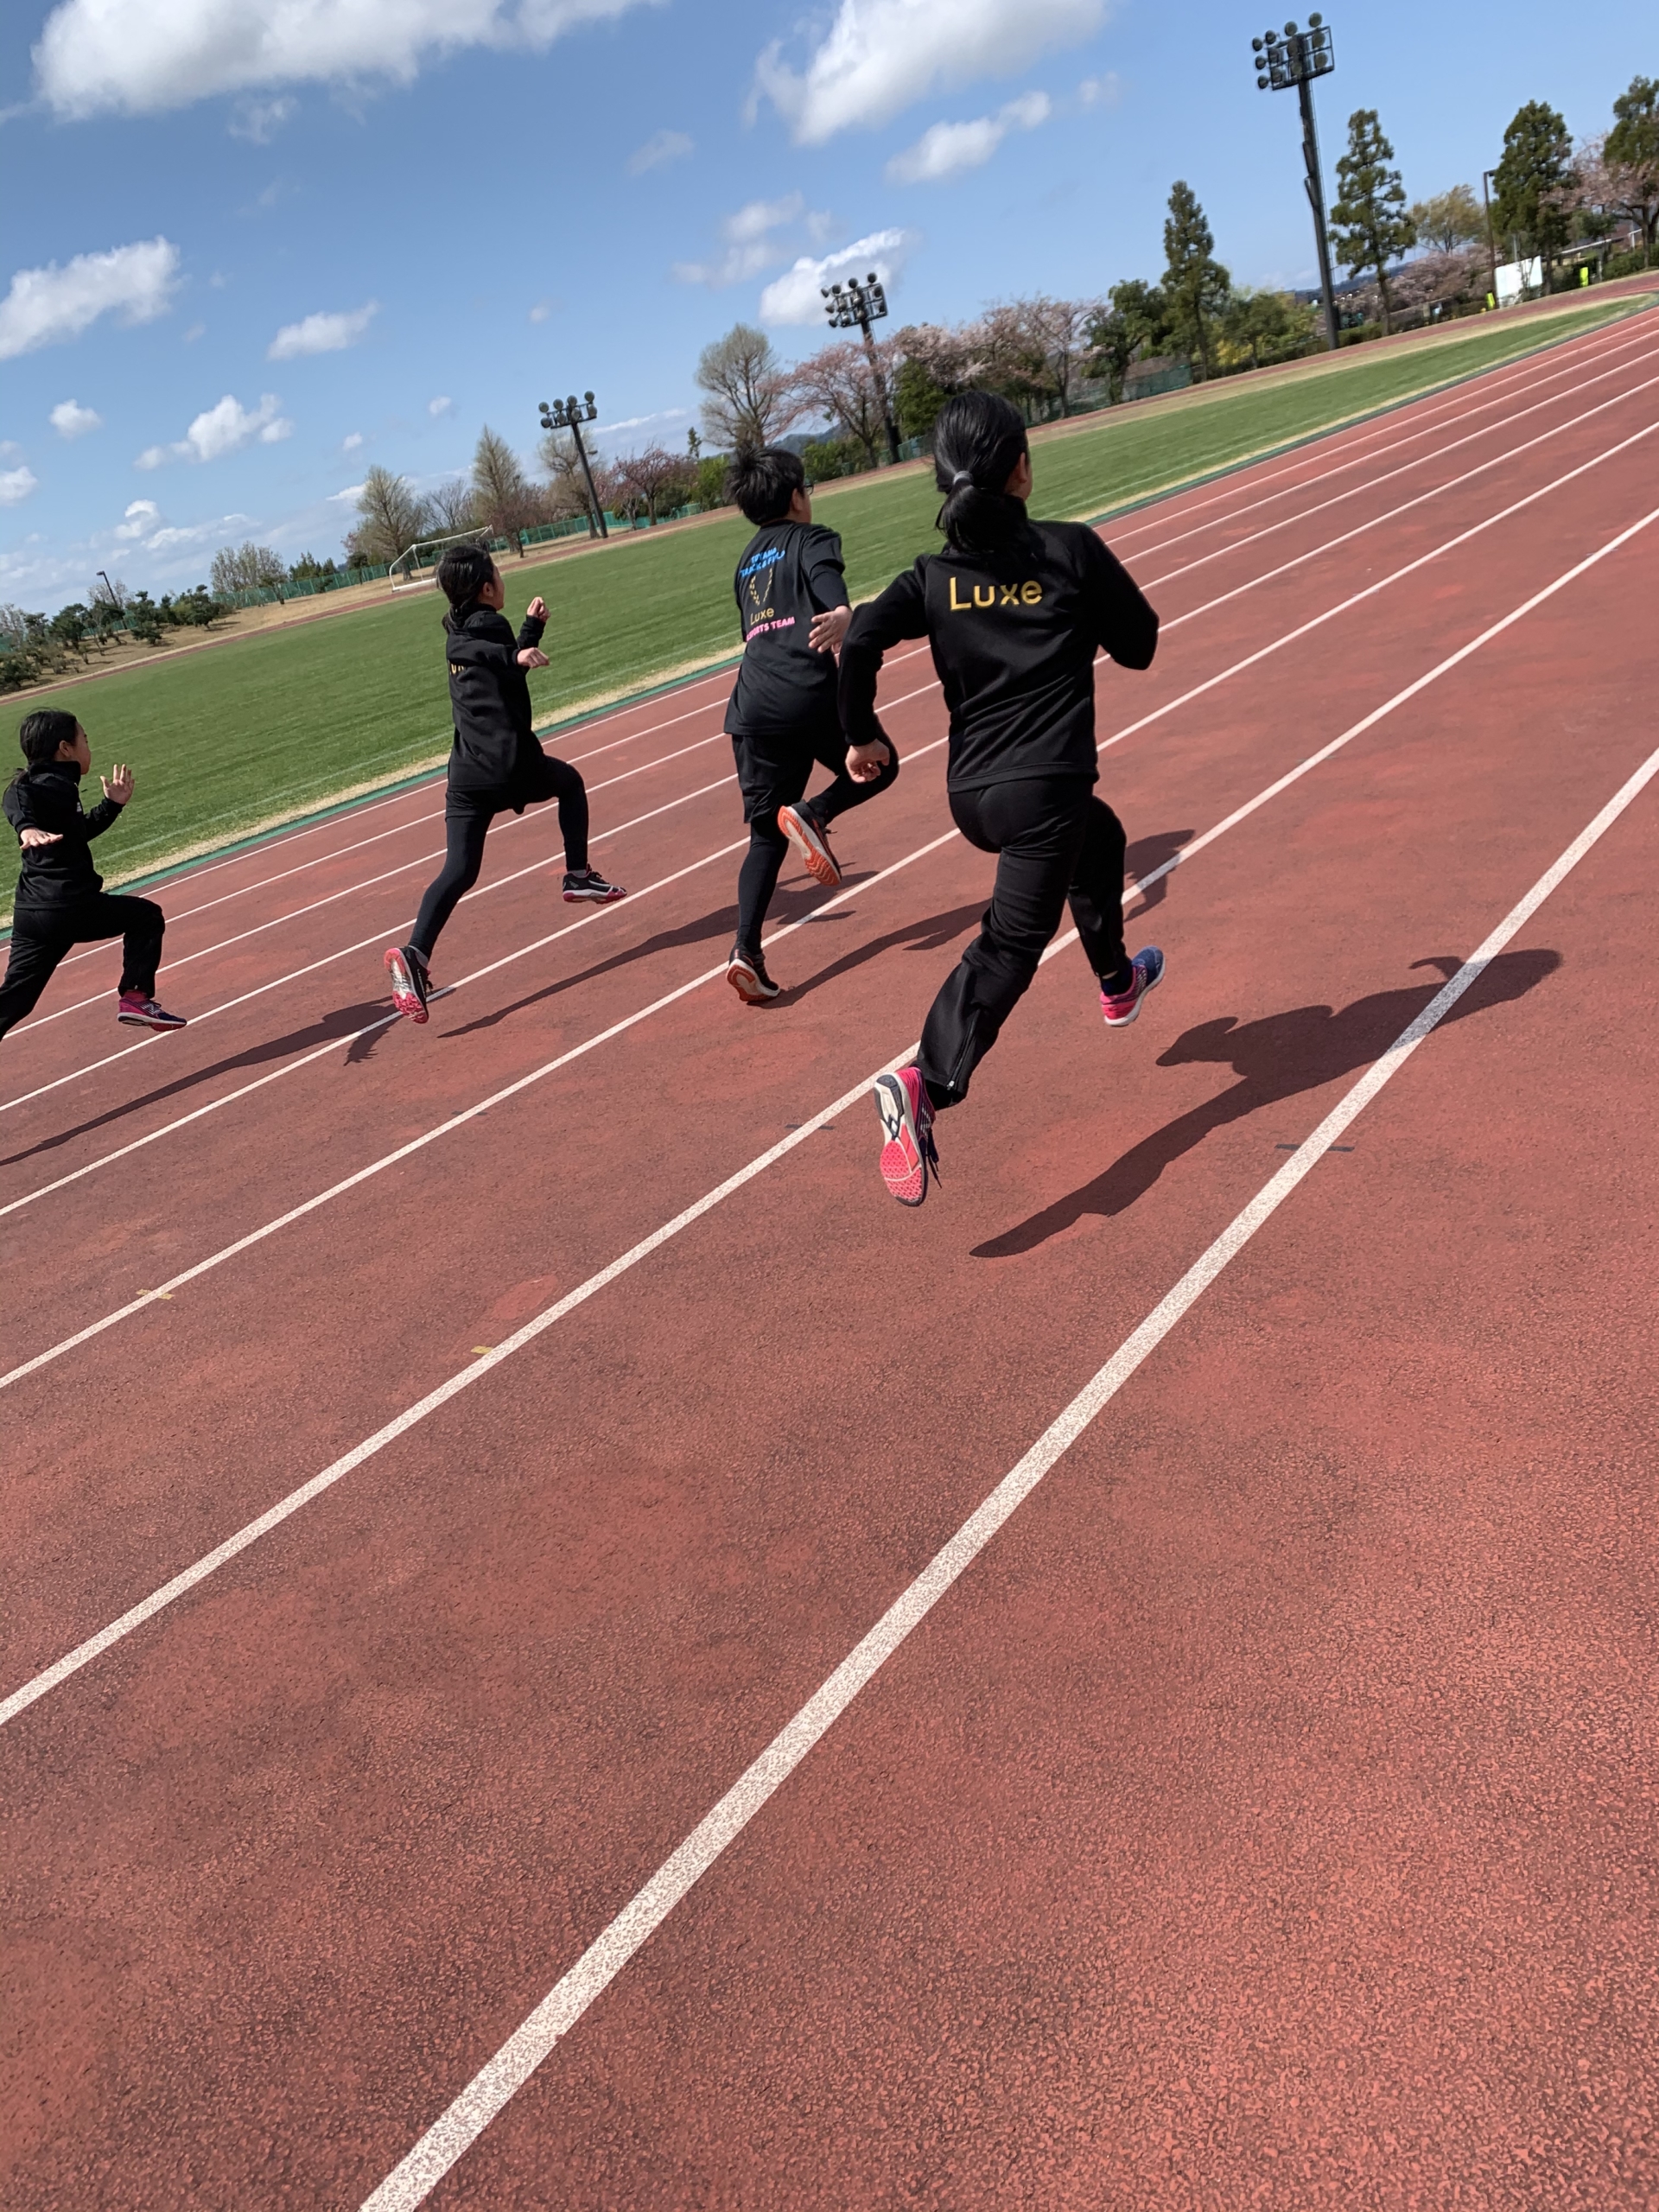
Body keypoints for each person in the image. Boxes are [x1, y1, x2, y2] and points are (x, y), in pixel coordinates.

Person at [837, 392, 1160, 1206]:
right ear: (1020, 467)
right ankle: (926, 1082)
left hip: (974, 796)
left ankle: (1117, 979)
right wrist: (1077, 617)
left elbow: (859, 645)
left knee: (1103, 839)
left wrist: (861, 737)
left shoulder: (932, 576)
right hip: (1043, 782)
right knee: (1010, 946)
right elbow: (1143, 646)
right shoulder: (1069, 552)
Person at [384, 543, 625, 1023]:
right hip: (507, 767)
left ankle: (415, 956)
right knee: (571, 784)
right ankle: (577, 875)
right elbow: (487, 652)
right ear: (486, 587)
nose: (502, 574)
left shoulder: (459, 626)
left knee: (459, 871)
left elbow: (496, 664)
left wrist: (527, 638)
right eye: (497, 569)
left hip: (466, 776)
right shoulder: (474, 634)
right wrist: (516, 652)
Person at [721, 445, 899, 1003]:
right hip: (804, 691)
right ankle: (815, 812)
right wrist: (844, 613)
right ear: (798, 497)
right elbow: (826, 591)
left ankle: (744, 950)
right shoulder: (813, 537)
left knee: (763, 836)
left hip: (751, 707)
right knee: (880, 762)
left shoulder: (745, 560)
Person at [1, 709, 187, 1042]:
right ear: (65, 748)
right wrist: (26, 827)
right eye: (84, 739)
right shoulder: (44, 784)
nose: (89, 746)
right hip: (69, 907)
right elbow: (16, 795)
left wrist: (111, 805)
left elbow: (76, 833)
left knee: (14, 1002)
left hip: (32, 914)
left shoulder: (62, 787)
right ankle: (136, 998)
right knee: (146, 917)